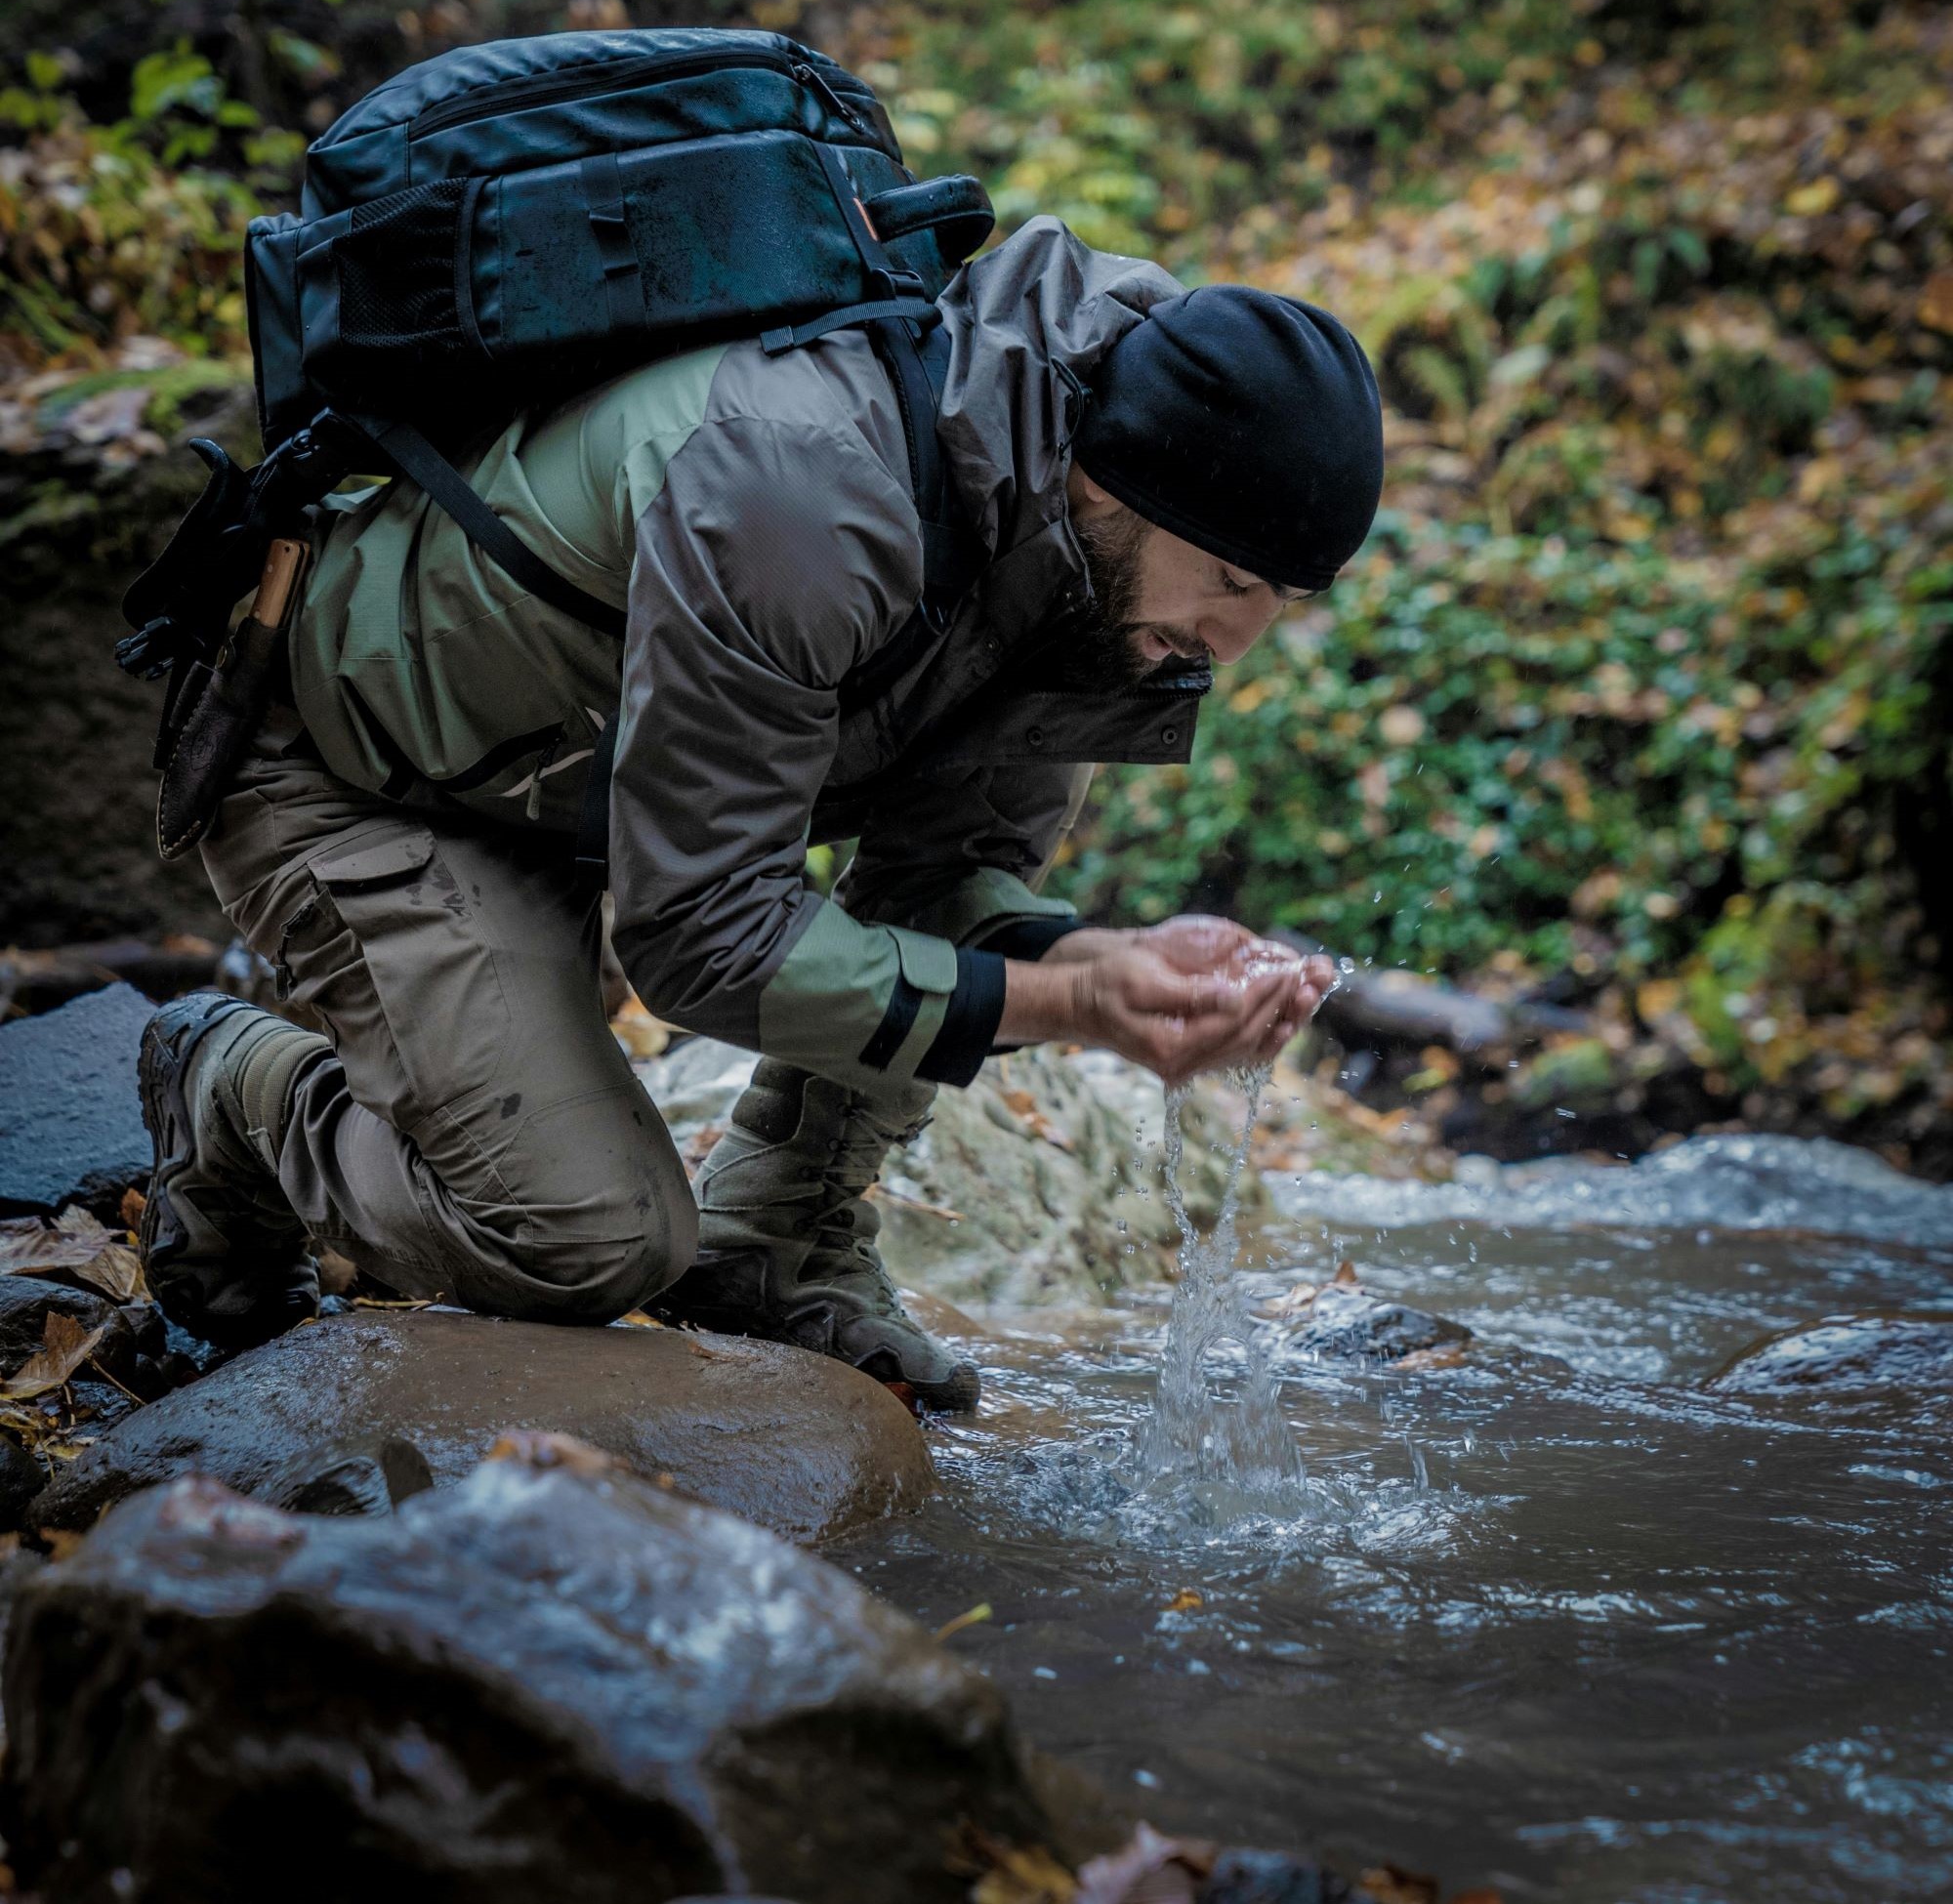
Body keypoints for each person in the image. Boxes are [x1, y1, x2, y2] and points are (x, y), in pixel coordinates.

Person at [136, 213, 1383, 1411]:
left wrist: (1100, 961)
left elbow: (951, 876)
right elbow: (700, 941)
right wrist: (1067, 1004)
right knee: (580, 1240)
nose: (1234, 640)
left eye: (1278, 596)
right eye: (1229, 579)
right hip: (356, 760)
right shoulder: (809, 486)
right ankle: (230, 1085)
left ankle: (779, 1236)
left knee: (919, 978)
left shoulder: (1077, 574)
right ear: (1113, 483)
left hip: (570, 789)